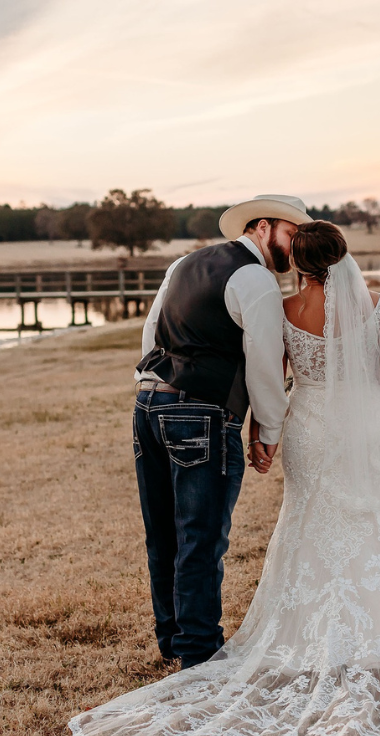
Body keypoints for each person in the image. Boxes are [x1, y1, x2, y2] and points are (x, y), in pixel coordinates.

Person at [70, 221, 380, 736]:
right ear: (342, 256)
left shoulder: (264, 299)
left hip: (272, 419)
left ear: (298, 260)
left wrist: (269, 427)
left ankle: (195, 640)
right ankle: (366, 627)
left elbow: (267, 368)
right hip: (358, 423)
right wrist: (348, 399)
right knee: (373, 513)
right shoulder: (373, 303)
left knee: (291, 522)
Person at [129, 194, 311, 670]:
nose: (294, 248)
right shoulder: (255, 279)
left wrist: (149, 388)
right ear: (264, 227)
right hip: (202, 414)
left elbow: (152, 334)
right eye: (291, 236)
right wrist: (267, 430)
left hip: (149, 404)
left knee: (163, 534)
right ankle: (199, 651)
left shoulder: (183, 264)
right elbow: (266, 364)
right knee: (201, 537)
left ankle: (173, 640)